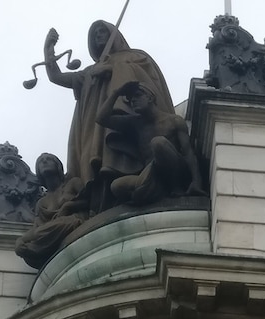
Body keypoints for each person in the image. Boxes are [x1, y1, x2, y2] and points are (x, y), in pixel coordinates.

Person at [42, 21, 175, 206]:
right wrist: (48, 50)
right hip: (94, 127)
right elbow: (56, 77)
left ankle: (139, 184)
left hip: (126, 120)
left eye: (102, 31)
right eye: (95, 33)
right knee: (96, 162)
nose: (98, 35)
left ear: (114, 34)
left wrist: (114, 69)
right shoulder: (89, 71)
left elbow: (149, 81)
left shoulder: (136, 56)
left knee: (119, 153)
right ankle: (100, 202)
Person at [96, 81, 205, 205]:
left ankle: (175, 188)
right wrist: (116, 93)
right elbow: (101, 119)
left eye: (137, 95)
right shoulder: (135, 123)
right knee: (116, 186)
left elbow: (188, 152)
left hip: (176, 172)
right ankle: (155, 192)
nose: (133, 101)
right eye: (130, 99)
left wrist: (196, 181)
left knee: (158, 143)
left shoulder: (174, 121)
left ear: (150, 98)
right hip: (152, 175)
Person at [15, 153, 88, 269]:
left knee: (52, 228)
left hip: (76, 221)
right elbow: (37, 229)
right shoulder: (41, 203)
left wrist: (68, 206)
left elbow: (90, 200)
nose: (44, 162)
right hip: (54, 229)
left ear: (58, 165)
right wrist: (21, 240)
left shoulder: (73, 183)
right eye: (41, 162)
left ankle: (39, 249)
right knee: (34, 239)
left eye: (49, 159)